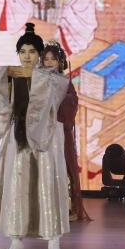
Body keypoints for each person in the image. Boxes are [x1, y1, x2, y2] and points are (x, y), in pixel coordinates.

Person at [0, 24, 70, 249]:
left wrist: (31, 76)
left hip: (45, 138)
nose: (27, 56)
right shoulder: (12, 74)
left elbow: (58, 90)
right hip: (17, 136)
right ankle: (16, 244)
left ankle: (54, 246)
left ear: (39, 54)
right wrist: (3, 73)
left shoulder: (51, 79)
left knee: (47, 186)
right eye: (23, 52)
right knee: (17, 186)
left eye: (32, 51)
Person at [42, 40, 90, 222]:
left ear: (60, 62)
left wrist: (61, 98)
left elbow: (72, 103)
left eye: (53, 59)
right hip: (43, 133)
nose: (49, 62)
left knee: (64, 170)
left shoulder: (64, 82)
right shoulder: (38, 80)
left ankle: (67, 209)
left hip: (60, 133)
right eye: (46, 59)